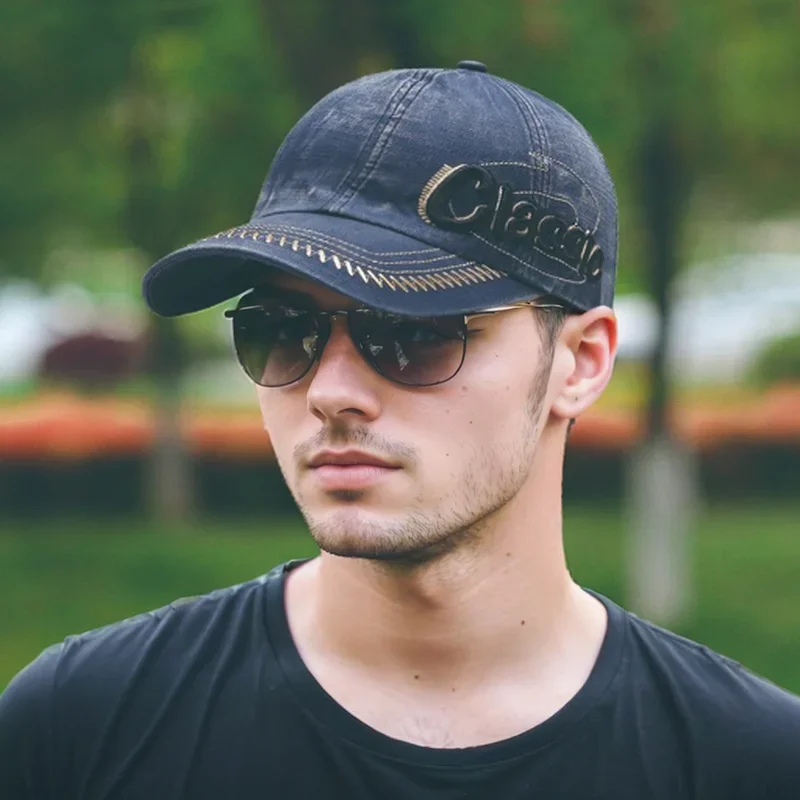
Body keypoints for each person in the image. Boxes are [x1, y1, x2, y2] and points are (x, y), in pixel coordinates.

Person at [2, 60, 799, 800]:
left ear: (581, 362)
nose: (332, 391)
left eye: (415, 333)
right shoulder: (81, 726)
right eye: (280, 329)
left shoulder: (748, 761)